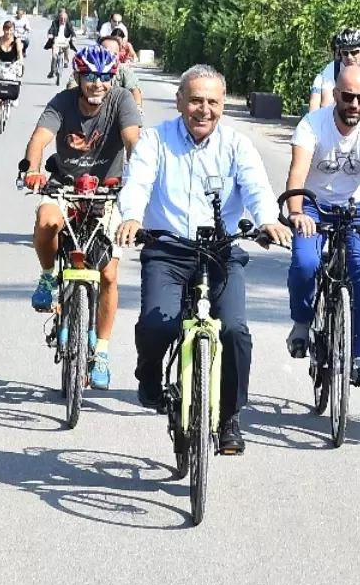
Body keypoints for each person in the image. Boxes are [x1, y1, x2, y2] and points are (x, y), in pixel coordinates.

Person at [115, 65, 293, 455]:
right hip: (168, 250)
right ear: (180, 101)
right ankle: (148, 380)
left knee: (234, 331)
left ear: (223, 105)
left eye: (213, 102)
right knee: (155, 325)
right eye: (195, 100)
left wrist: (267, 221)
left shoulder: (236, 145)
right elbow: (139, 181)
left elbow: (257, 189)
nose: (204, 110)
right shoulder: (156, 141)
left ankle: (229, 416)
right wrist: (131, 216)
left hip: (221, 253)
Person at [21, 45, 142, 389]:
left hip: (109, 191)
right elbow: (39, 140)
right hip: (64, 185)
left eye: (104, 77)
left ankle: (101, 351)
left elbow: (133, 140)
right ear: (78, 77)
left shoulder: (122, 101)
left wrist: (139, 174)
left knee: (108, 274)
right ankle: (47, 276)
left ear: (113, 78)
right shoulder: (62, 101)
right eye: (90, 77)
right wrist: (32, 170)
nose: (97, 84)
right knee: (46, 222)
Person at [284, 65, 360, 386]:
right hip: (314, 205)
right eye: (348, 97)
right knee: (306, 262)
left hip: (359, 209)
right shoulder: (313, 124)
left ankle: (358, 355)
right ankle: (302, 323)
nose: (355, 105)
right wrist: (297, 213)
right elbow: (297, 174)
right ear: (335, 95)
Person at [0, 20, 25, 126]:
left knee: (15, 79)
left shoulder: (17, 41)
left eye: (10, 30)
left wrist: (20, 63)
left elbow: (20, 54)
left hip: (12, 66)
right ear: (3, 30)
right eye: (6, 30)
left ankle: (15, 97)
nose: (8, 32)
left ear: (13, 31)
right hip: (0, 65)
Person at [98, 32, 143, 109]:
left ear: (119, 54)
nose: (110, 57)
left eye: (114, 54)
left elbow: (135, 91)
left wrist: (137, 107)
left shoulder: (124, 72)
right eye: (106, 53)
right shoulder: (87, 68)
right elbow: (73, 86)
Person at [45, 7, 77, 78]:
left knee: (67, 47)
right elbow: (51, 29)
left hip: (65, 41)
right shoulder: (54, 23)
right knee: (54, 56)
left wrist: (73, 37)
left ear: (66, 19)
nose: (63, 20)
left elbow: (72, 32)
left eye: (64, 19)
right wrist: (50, 34)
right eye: (61, 19)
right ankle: (52, 71)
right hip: (56, 41)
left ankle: (66, 61)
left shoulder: (68, 24)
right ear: (59, 18)